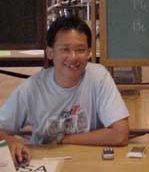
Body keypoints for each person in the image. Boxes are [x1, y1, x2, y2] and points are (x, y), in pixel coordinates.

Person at [0, 16, 129, 165]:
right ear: (50, 53)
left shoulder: (98, 77)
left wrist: (64, 139)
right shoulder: (32, 88)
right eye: (65, 49)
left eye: (80, 50)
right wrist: (10, 141)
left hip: (89, 162)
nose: (73, 57)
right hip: (43, 162)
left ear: (88, 53)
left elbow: (120, 134)